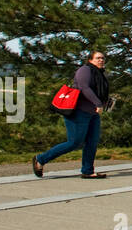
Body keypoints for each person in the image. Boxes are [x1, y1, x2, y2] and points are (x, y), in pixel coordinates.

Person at [33, 50, 111, 179]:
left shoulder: (100, 74)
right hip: (78, 112)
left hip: (93, 114)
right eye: (98, 58)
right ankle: (40, 159)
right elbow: (84, 87)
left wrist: (104, 102)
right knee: (74, 142)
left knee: (92, 142)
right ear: (90, 60)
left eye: (103, 58)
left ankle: (87, 171)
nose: (101, 60)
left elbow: (99, 91)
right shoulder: (85, 70)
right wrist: (98, 103)